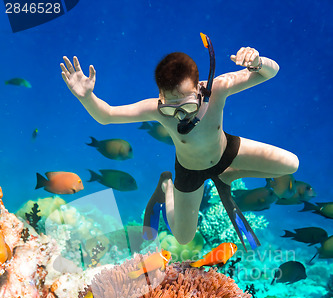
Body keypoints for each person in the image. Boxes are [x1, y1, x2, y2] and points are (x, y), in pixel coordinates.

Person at [60, 34, 298, 250]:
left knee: (291, 164)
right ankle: (167, 187)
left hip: (227, 152)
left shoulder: (218, 88)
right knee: (184, 237)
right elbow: (107, 115)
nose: (183, 115)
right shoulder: (155, 109)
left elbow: (270, 72)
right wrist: (87, 97)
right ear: (161, 97)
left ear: (199, 88)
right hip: (189, 170)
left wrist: (257, 62)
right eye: (172, 107)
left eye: (188, 105)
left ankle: (228, 174)